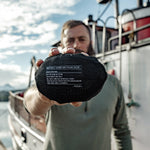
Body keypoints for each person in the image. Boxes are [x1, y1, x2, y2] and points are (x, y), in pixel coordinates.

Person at [24, 20, 132, 150]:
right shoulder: (52, 84)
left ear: (90, 43)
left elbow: (122, 131)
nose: (76, 45)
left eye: (82, 39)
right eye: (70, 40)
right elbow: (31, 106)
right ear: (61, 45)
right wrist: (43, 96)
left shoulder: (112, 83)